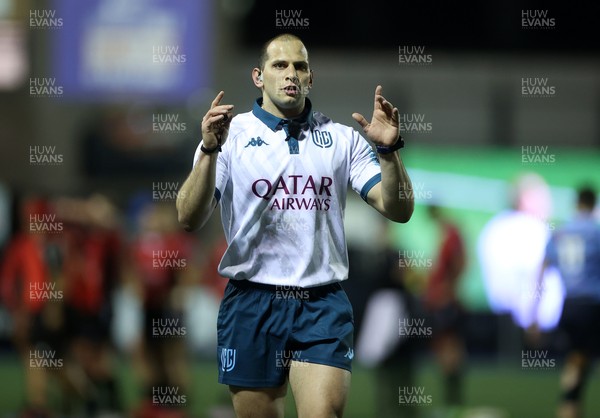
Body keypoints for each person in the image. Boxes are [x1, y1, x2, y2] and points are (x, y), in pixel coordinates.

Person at [176, 33, 414, 418]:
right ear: (259, 76)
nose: (291, 74)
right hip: (252, 302)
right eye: (280, 65)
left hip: (321, 303)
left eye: (299, 66)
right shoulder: (229, 136)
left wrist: (388, 151)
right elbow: (188, 216)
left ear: (310, 78)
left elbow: (398, 209)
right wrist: (207, 151)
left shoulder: (341, 140)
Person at [530, 185, 600, 418]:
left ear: (576, 202)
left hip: (568, 306)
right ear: (593, 203)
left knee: (577, 360)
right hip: (591, 306)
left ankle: (570, 405)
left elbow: (541, 271)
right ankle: (568, 406)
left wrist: (535, 313)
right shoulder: (596, 232)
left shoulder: (561, 231)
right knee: (580, 361)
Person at [423, 204, 467, 408]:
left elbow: (459, 263)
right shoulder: (445, 233)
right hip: (439, 300)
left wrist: (447, 290)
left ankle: (453, 402)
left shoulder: (451, 234)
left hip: (445, 301)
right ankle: (451, 402)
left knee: (449, 347)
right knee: (444, 347)